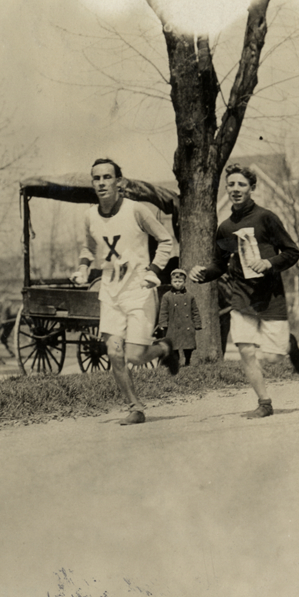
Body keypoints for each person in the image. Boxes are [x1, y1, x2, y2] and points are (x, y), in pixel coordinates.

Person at [188, 163, 299, 419]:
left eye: (242, 184)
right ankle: (264, 402)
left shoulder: (266, 218)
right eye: (231, 184)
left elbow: (292, 252)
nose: (236, 189)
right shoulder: (225, 227)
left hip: (270, 294)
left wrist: (269, 263)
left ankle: (288, 343)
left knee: (273, 358)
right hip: (241, 295)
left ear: (252, 188)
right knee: (246, 349)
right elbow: (219, 264)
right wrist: (202, 274)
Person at [72, 158, 178, 425]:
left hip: (138, 291)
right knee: (114, 352)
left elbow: (166, 240)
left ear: (119, 182)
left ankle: (164, 348)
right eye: (96, 178)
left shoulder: (136, 210)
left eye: (107, 177)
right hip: (110, 291)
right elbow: (88, 247)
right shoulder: (89, 216)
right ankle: (135, 407)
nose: (101, 183)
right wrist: (83, 268)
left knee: (135, 356)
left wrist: (154, 269)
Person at [156, 268, 203, 366]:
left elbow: (195, 311)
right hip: (172, 326)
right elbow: (163, 311)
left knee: (188, 346)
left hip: (187, 325)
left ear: (184, 282)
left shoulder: (190, 296)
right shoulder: (167, 296)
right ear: (171, 281)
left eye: (180, 281)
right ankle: (176, 362)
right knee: (174, 346)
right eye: (175, 281)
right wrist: (163, 323)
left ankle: (187, 361)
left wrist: (197, 324)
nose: (177, 283)